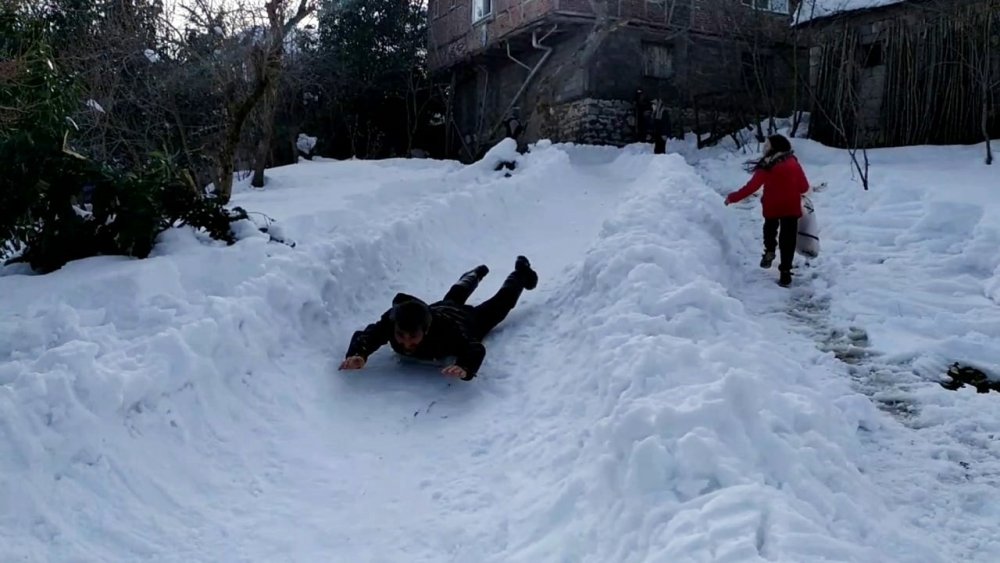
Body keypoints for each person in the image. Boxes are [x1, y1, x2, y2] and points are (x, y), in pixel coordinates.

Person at [339, 256, 539, 381]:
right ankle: (473, 274)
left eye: (413, 337)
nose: (406, 343)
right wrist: (359, 353)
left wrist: (464, 367)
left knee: (500, 304)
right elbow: (367, 335)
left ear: (425, 331)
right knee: (452, 297)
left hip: (468, 320)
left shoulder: (449, 333)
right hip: (436, 309)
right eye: (401, 336)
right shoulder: (392, 323)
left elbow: (474, 348)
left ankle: (521, 273)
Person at [724, 134, 810, 287]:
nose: (765, 148)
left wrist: (732, 198)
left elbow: (751, 187)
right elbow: (804, 187)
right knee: (788, 240)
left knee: (770, 228)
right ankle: (785, 272)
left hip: (772, 206)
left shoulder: (767, 165)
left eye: (767, 145)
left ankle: (769, 250)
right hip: (791, 206)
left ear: (773, 148)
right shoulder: (793, 163)